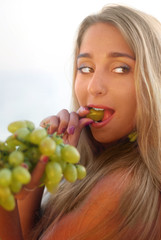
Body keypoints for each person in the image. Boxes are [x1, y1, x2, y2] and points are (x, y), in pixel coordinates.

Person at [0, 3, 161, 240]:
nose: (94, 87)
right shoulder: (98, 166)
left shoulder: (124, 186)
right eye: (85, 68)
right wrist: (39, 169)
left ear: (153, 81)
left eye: (120, 69)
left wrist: (3, 197)